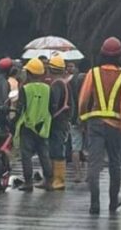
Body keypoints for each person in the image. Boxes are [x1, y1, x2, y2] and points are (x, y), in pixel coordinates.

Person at [78, 37, 121, 215]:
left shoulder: (92, 73)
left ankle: (94, 203)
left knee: (94, 164)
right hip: (115, 126)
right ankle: (113, 201)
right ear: (120, 56)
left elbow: (84, 99)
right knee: (115, 164)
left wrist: (82, 119)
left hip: (95, 123)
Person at [14, 58, 55, 192]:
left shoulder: (25, 89)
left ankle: (28, 182)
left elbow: (20, 109)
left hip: (27, 126)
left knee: (26, 155)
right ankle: (49, 181)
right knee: (44, 153)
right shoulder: (48, 88)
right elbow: (52, 108)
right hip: (43, 127)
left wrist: (13, 123)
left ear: (30, 73)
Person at [48, 55, 74, 190]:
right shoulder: (65, 83)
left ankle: (58, 180)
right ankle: (53, 178)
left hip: (57, 123)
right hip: (63, 122)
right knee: (54, 149)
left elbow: (53, 105)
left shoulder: (57, 84)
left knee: (57, 150)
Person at [67, 62, 86, 183]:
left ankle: (77, 174)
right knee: (92, 147)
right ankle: (91, 174)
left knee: (76, 147)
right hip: (89, 119)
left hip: (74, 119)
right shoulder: (89, 88)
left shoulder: (69, 84)